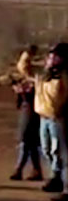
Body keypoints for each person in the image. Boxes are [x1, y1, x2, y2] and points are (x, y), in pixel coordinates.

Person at [36, 43, 68, 193]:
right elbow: (24, 70)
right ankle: (55, 175)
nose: (51, 58)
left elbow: (58, 96)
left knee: (57, 149)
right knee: (46, 148)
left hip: (56, 116)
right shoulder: (46, 75)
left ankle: (57, 177)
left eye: (55, 56)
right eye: (50, 56)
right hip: (43, 115)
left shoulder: (63, 76)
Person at [12, 45, 43, 181]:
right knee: (31, 142)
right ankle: (36, 170)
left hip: (33, 110)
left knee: (26, 140)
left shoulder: (37, 75)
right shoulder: (31, 76)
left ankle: (19, 170)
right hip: (30, 109)